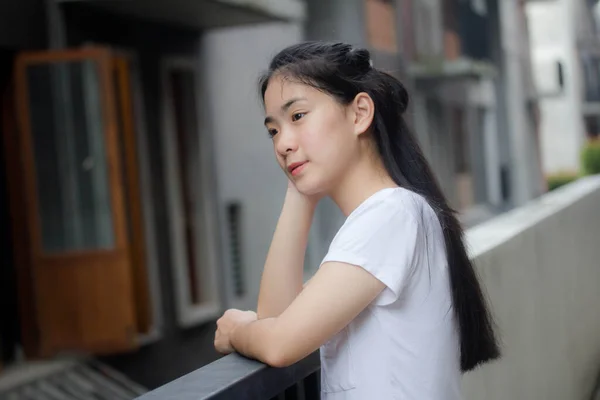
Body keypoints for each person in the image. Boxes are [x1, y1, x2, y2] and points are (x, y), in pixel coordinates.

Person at [213, 41, 500, 399]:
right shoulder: (393, 214)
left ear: (359, 113)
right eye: (273, 130)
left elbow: (279, 343)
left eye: (298, 116)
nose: (283, 143)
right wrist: (299, 192)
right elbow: (277, 319)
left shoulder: (390, 215)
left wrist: (238, 330)